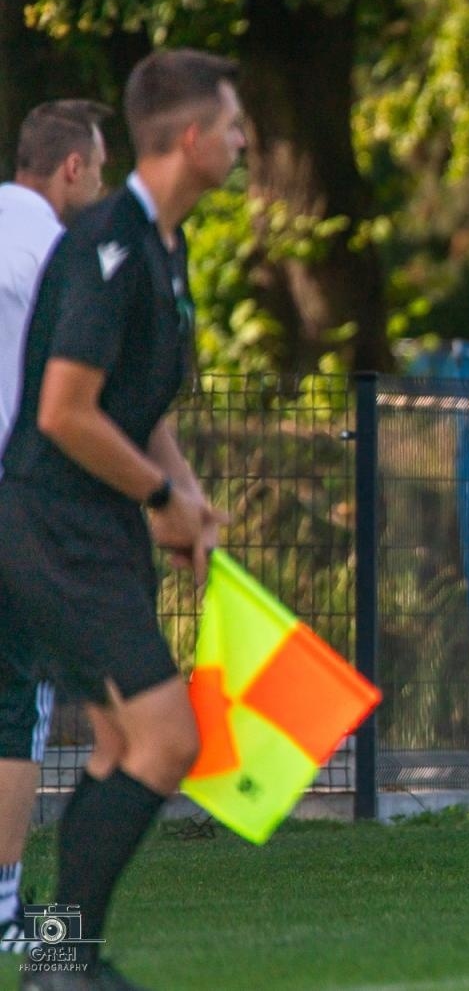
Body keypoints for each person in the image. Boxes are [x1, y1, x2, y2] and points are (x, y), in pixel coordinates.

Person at [0, 49, 242, 990]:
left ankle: (64, 962)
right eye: (233, 127)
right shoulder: (108, 242)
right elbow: (65, 411)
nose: (243, 142)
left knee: (120, 747)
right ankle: (62, 966)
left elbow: (139, 407)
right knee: (168, 739)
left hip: (100, 532)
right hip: (54, 532)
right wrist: (160, 497)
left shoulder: (164, 247)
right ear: (191, 137)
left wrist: (185, 497)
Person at [0, 100, 111, 953]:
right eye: (100, 170)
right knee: (14, 704)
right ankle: (6, 909)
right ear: (72, 167)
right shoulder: (56, 256)